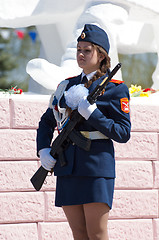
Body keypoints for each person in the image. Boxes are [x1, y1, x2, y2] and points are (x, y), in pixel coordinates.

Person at [37, 24, 131, 240]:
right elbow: (46, 121)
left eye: (87, 50)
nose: (81, 54)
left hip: (96, 169)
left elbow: (123, 132)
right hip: (67, 167)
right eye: (78, 49)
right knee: (78, 234)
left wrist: (93, 114)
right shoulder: (66, 86)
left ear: (101, 55)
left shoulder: (115, 88)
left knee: (97, 234)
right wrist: (43, 149)